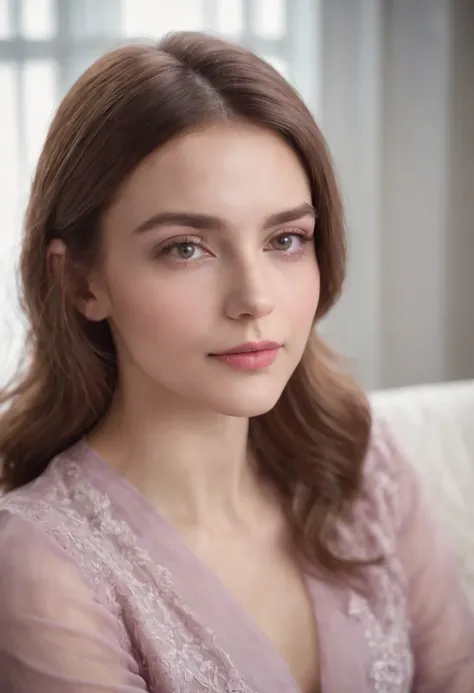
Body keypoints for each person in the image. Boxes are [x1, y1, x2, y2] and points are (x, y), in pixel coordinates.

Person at [0, 31, 472, 693]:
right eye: (186, 248)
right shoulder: (43, 566)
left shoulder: (365, 470)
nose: (255, 299)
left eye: (286, 239)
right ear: (81, 282)